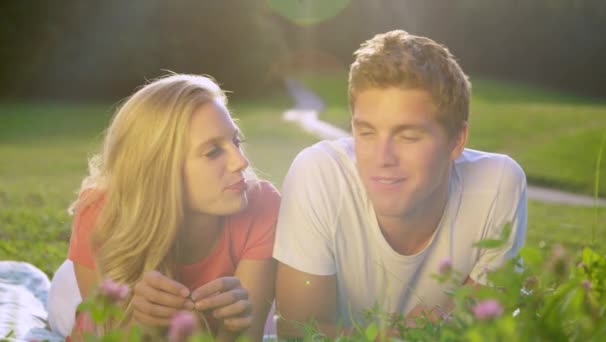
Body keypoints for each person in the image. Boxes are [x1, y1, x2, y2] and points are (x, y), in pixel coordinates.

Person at [273, 30, 527, 338]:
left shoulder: (498, 185)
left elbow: (482, 328)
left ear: (457, 141)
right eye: (366, 132)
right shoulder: (319, 174)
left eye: (408, 136)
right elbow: (297, 330)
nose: (383, 157)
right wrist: (425, 327)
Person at [47, 74, 280, 341]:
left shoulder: (262, 205)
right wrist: (134, 317)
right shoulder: (102, 211)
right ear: (160, 169)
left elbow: (245, 336)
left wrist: (231, 329)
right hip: (78, 295)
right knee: (64, 299)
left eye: (236, 142)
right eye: (213, 152)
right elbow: (106, 332)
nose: (241, 162)